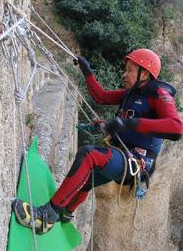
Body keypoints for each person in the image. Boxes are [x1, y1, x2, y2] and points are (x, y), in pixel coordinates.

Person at [12, 48, 182, 234]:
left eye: (130, 70)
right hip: (124, 155)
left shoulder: (159, 93)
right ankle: (67, 212)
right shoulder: (131, 93)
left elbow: (176, 128)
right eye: (125, 69)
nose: (124, 74)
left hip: (137, 163)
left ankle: (46, 216)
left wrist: (128, 123)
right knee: (84, 181)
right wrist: (87, 70)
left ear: (145, 73)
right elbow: (100, 96)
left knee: (90, 154)